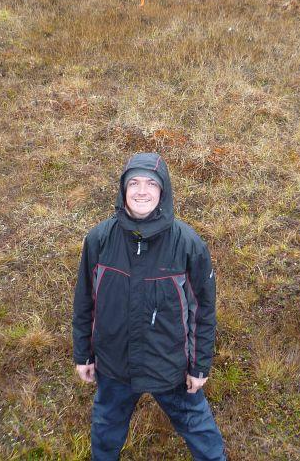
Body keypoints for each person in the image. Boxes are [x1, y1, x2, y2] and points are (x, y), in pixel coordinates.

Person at [72, 152, 227, 461]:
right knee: (105, 434)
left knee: (201, 433)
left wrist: (199, 366)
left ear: (163, 190)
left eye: (151, 184)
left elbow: (203, 310)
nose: (142, 191)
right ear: (123, 190)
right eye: (134, 183)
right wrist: (83, 354)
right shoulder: (99, 239)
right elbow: (85, 300)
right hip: (114, 366)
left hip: (169, 368)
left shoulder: (188, 243)